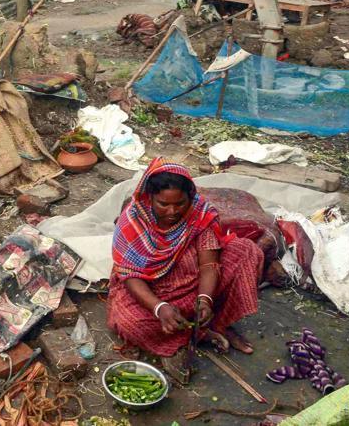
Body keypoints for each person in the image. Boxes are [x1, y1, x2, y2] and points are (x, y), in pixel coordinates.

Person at [107, 158, 263, 380]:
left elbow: (209, 264)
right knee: (129, 322)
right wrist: (159, 308)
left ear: (190, 197)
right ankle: (193, 334)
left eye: (180, 204)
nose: (172, 211)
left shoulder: (200, 214)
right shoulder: (132, 221)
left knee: (246, 251)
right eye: (163, 204)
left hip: (193, 284)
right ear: (150, 197)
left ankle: (216, 322)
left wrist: (205, 299)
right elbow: (130, 276)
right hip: (150, 291)